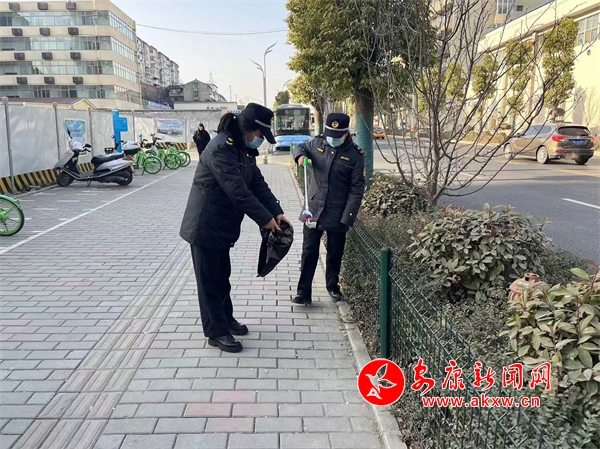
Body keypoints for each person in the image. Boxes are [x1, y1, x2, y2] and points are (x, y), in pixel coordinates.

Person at [180, 104, 293, 352]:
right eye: (261, 135)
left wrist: (276, 211)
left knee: (222, 278)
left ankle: (226, 320)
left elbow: (257, 184)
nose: (260, 141)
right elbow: (238, 191)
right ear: (249, 130)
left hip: (222, 226)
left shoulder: (242, 149)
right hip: (204, 226)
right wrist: (265, 219)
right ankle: (216, 332)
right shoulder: (221, 148)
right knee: (209, 282)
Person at [292, 113, 365, 305]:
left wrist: (348, 217)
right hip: (313, 209)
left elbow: (357, 188)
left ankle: (332, 287)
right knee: (309, 251)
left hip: (337, 212)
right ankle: (303, 292)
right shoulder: (318, 143)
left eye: (337, 135)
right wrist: (300, 156)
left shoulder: (355, 155)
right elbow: (300, 147)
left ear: (346, 133)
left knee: (335, 253)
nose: (332, 139)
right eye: (330, 134)